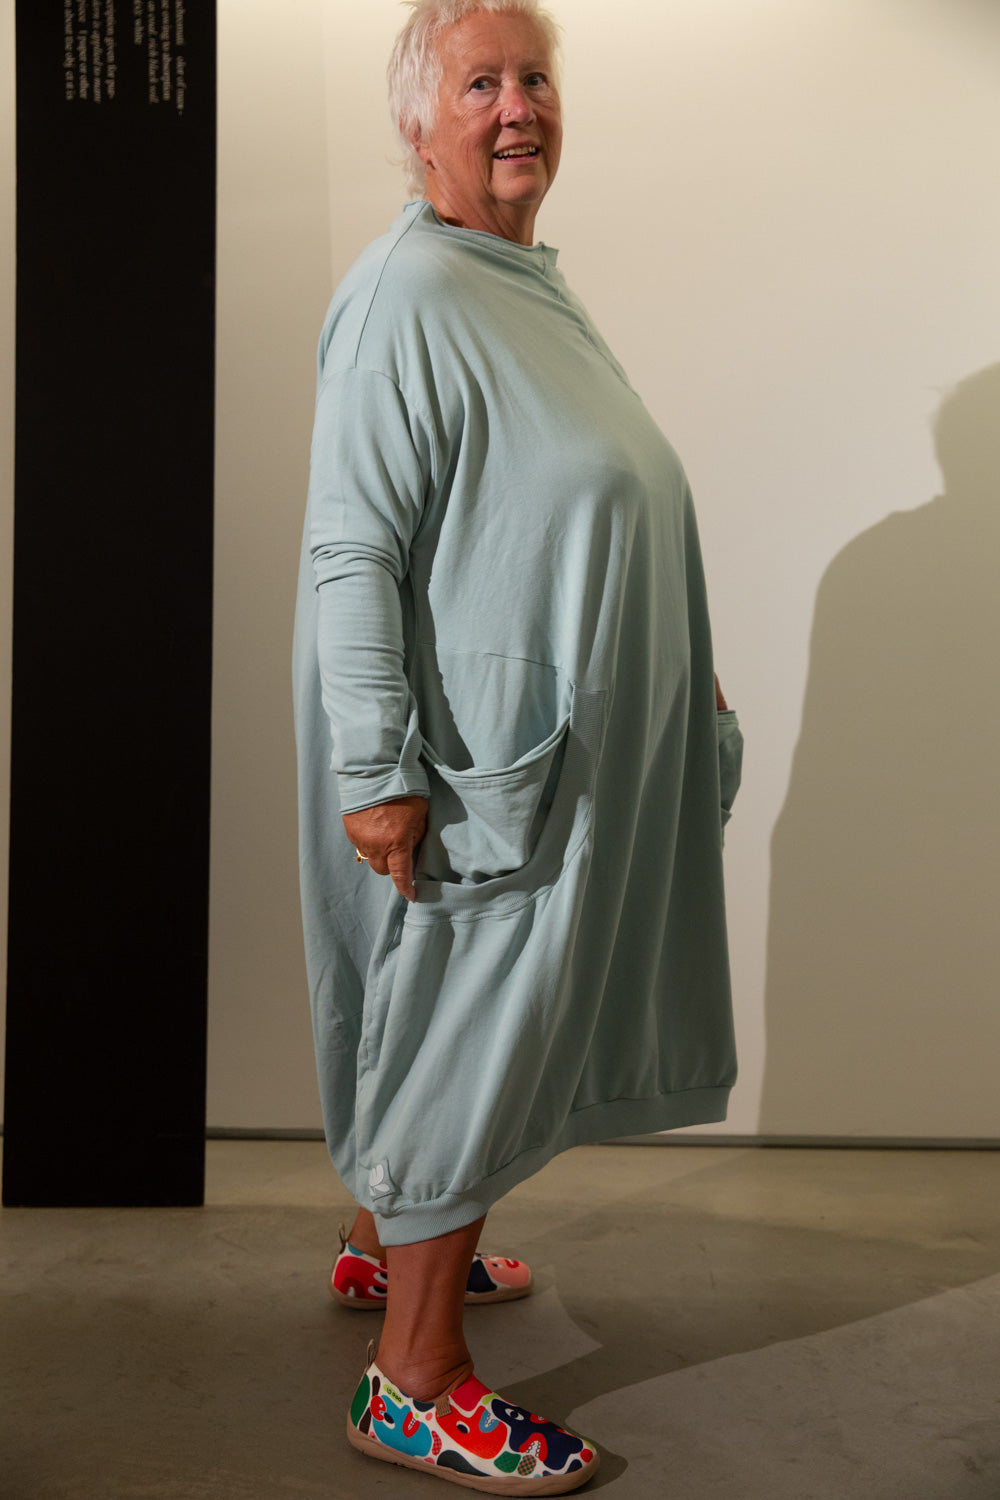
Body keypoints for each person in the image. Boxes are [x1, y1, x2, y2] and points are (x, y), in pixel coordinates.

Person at [292, 0, 742, 1490]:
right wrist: (377, 772)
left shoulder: (516, 279)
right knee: (470, 1023)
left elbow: (579, 497)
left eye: (533, 77)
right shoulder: (407, 293)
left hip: (541, 742)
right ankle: (413, 1382)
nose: (516, 108)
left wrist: (682, 665)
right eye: (479, 82)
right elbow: (352, 549)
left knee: (455, 1009)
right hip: (484, 757)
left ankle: (385, 1241)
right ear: (417, 122)